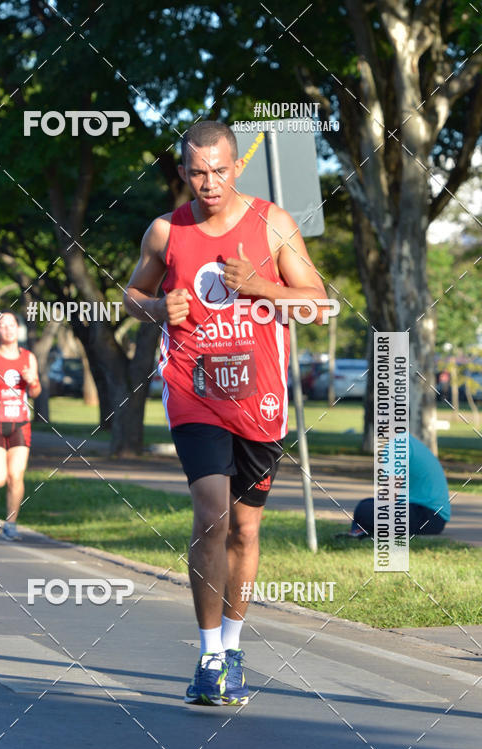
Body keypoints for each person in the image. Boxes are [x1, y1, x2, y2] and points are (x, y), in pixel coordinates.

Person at [124, 121, 327, 706]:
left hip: (260, 401)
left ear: (237, 167)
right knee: (211, 515)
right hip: (194, 391)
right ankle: (209, 654)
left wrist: (263, 285)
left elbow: (319, 301)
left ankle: (233, 649)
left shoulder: (273, 223)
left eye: (218, 170)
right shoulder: (166, 231)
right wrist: (157, 308)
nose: (209, 183)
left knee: (245, 528)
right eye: (197, 172)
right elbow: (131, 296)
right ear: (182, 173)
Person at [0, 312, 40, 541]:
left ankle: (11, 524)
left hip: (20, 423)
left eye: (11, 325)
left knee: (15, 476)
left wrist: (32, 380)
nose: (8, 329)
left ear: (18, 328)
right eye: (2, 325)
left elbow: (36, 391)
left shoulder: (28, 357)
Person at [348, 433, 451, 538]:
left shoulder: (396, 445)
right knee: (368, 505)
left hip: (426, 516)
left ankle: (360, 529)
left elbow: (390, 494)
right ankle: (361, 529)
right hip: (435, 518)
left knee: (363, 509)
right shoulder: (408, 441)